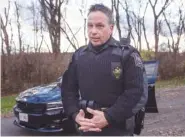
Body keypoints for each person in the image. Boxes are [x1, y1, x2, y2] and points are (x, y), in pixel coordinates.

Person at [61, 3, 148, 136]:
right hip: (87, 127)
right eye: (90, 26)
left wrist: (108, 117)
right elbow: (68, 89)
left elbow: (136, 92)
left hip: (118, 128)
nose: (93, 31)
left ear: (111, 28)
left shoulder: (127, 54)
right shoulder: (79, 56)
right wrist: (74, 114)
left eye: (100, 26)